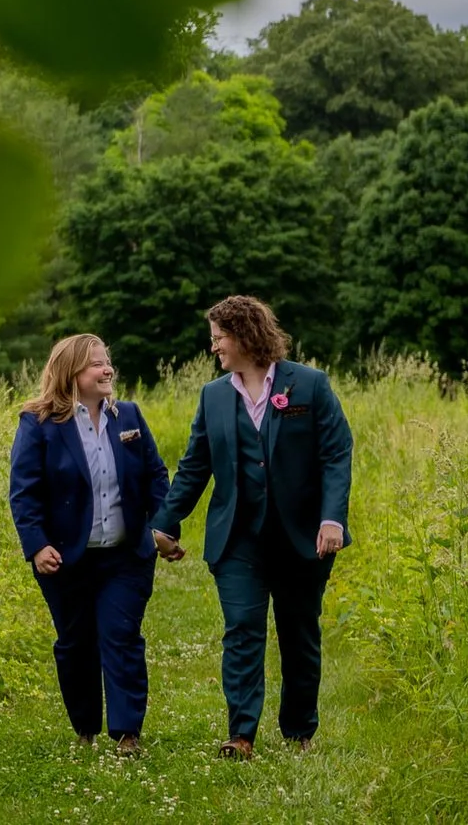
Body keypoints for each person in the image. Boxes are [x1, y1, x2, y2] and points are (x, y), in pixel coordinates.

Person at [149, 294, 354, 759]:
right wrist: (165, 522)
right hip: (238, 538)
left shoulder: (310, 385)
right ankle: (241, 735)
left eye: (219, 338)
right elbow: (195, 465)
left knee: (299, 634)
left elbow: (337, 453)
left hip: (304, 537)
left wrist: (331, 518)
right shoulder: (214, 395)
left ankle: (300, 731)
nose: (214, 347)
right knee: (242, 628)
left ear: (243, 336)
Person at [9, 333, 172, 754]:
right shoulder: (39, 424)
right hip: (65, 557)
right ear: (71, 374)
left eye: (107, 362)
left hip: (126, 555)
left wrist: (163, 526)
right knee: (76, 642)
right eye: (96, 364)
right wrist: (36, 545)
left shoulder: (129, 416)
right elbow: (24, 492)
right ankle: (85, 727)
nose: (107, 370)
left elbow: (156, 476)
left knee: (120, 635)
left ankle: (127, 733)